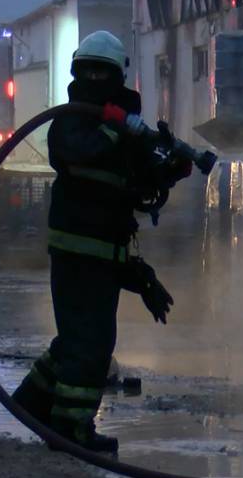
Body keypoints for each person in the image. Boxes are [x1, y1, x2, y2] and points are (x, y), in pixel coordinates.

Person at [11, 31, 190, 453]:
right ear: (77, 74)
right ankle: (71, 431)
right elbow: (81, 153)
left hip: (105, 252)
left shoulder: (123, 129)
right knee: (89, 346)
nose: (93, 77)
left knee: (77, 341)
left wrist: (172, 168)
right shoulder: (70, 122)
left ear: (116, 76)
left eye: (101, 71)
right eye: (87, 70)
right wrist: (116, 127)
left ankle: (30, 405)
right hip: (78, 251)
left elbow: (140, 186)